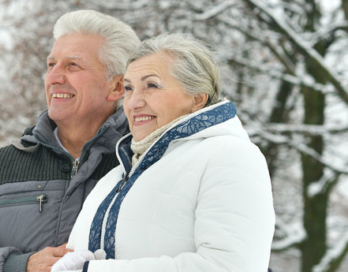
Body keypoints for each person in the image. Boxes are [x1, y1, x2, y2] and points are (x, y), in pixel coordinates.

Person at [51, 33, 275, 271]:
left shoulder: (230, 156)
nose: (134, 102)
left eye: (152, 85)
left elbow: (230, 267)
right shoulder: (114, 177)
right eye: (129, 88)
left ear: (197, 98)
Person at [0, 10, 141, 272]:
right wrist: (20, 265)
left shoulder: (143, 160)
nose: (54, 77)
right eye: (51, 65)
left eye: (72, 65)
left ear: (116, 88)